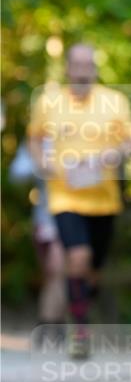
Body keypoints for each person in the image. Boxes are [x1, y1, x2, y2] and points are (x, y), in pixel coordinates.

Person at [27, 43, 131, 359]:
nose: (82, 71)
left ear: (95, 69)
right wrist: (43, 164)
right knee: (77, 257)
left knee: (93, 268)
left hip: (104, 200)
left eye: (88, 65)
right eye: (77, 65)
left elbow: (129, 142)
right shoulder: (49, 102)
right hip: (65, 196)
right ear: (67, 68)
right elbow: (34, 139)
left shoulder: (115, 101)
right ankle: (80, 331)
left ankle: (80, 306)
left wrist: (115, 154)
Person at [8, 139, 67, 338]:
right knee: (52, 274)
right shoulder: (40, 140)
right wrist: (43, 165)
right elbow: (17, 174)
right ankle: (53, 324)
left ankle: (50, 324)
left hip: (79, 216)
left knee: (58, 268)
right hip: (46, 219)